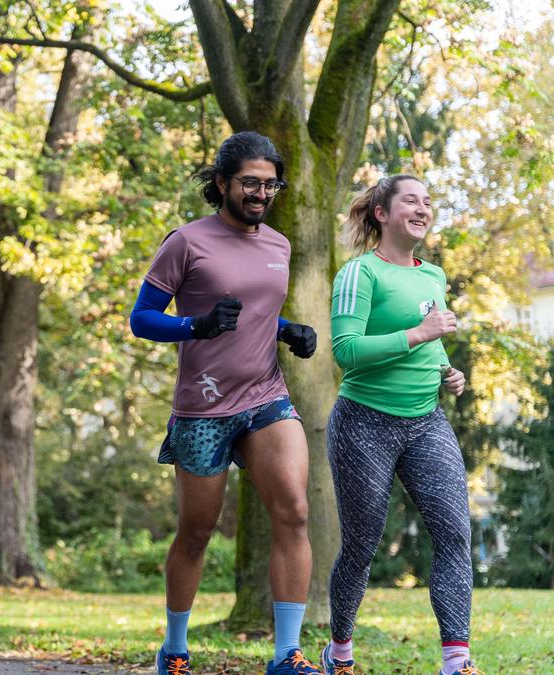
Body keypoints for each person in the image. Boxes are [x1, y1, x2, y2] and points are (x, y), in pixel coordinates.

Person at [129, 132, 321, 675]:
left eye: (270, 184)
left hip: (265, 395)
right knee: (197, 531)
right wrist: (196, 325)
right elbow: (142, 318)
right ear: (222, 183)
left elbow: (257, 313)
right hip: (204, 407)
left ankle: (287, 654)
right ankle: (175, 647)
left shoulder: (279, 246)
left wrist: (289, 331)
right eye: (250, 183)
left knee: (295, 511)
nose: (261, 193)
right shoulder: (186, 242)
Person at [321, 175, 478, 675]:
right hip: (363, 423)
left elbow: (429, 344)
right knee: (362, 543)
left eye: (428, 202)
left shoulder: (433, 275)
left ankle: (457, 659)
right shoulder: (359, 273)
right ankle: (339, 649)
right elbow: (346, 352)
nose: (423, 208)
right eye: (411, 199)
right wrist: (419, 333)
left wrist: (446, 370)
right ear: (382, 213)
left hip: (425, 421)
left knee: (454, 532)